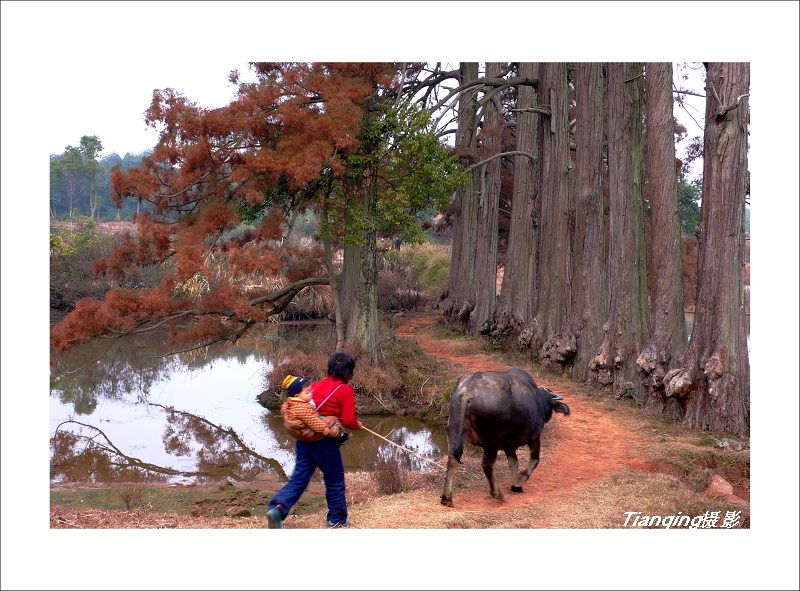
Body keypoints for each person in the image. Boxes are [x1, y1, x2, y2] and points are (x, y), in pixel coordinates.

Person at [267, 352, 362, 529]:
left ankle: (278, 508)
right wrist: (357, 425)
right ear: (349, 372)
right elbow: (348, 420)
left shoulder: (314, 387)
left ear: (330, 369)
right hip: (325, 442)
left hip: (305, 440)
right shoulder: (345, 390)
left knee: (299, 479)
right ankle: (336, 519)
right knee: (334, 479)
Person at [280, 374, 351, 446]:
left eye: (310, 391)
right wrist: (324, 429)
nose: (311, 394)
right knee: (334, 420)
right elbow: (313, 421)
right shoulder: (302, 408)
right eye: (307, 392)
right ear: (297, 396)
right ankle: (339, 437)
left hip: (301, 434)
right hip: (309, 434)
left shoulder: (290, 404)